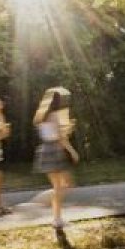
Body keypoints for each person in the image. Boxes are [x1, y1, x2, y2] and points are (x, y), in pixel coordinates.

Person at [33, 87, 79, 230]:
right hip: (55, 150)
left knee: (59, 186)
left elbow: (52, 134)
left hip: (45, 150)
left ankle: (56, 218)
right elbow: (61, 137)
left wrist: (67, 128)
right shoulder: (55, 115)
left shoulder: (41, 117)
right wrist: (72, 151)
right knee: (66, 185)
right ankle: (53, 214)